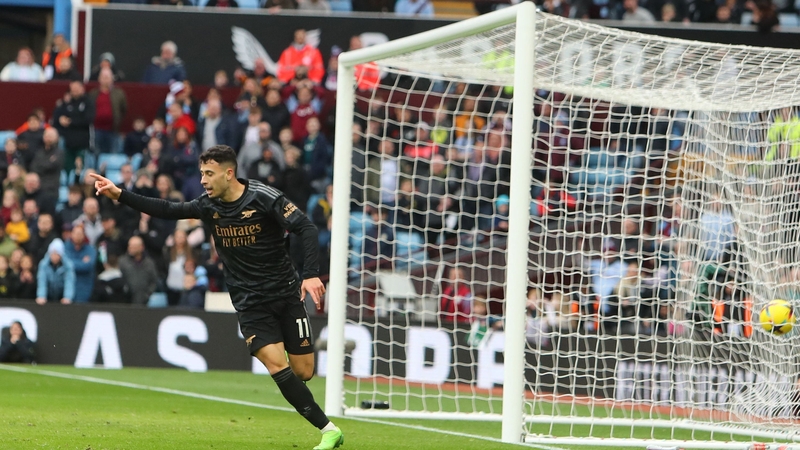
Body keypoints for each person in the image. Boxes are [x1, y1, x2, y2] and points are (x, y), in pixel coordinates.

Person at [91, 145, 344, 450]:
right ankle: (329, 430)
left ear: (229, 173)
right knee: (276, 363)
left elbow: (305, 226)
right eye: (201, 174)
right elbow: (168, 209)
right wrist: (120, 194)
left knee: (303, 371)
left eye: (209, 174)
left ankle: (308, 386)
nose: (203, 181)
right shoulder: (207, 206)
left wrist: (311, 273)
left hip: (286, 294)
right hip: (249, 302)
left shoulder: (264, 197)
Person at [35, 238, 76, 305]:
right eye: (52, 253)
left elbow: (69, 282)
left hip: (61, 294)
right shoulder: (43, 265)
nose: (54, 256)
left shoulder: (68, 266)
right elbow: (42, 281)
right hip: (49, 295)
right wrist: (41, 296)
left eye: (57, 254)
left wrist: (67, 297)